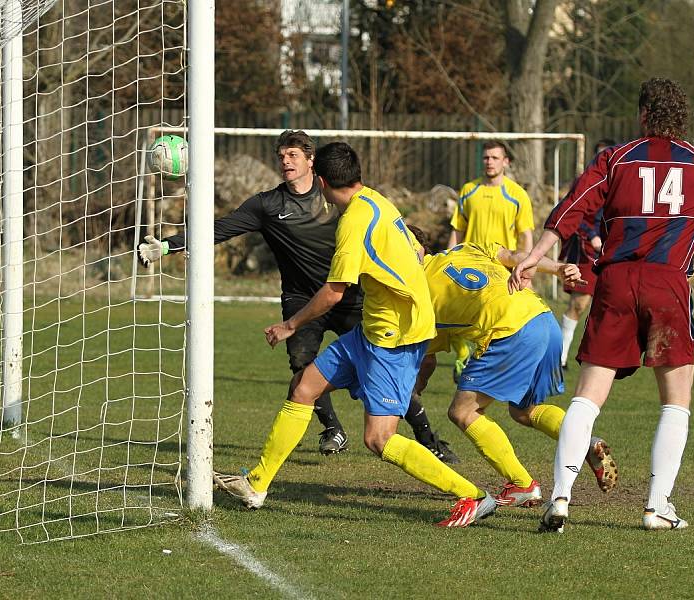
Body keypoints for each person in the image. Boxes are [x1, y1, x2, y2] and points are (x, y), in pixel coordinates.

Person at [510, 75, 694, 532]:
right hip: (667, 286)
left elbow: (569, 212)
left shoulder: (615, 158)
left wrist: (532, 258)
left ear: (643, 114)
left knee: (587, 397)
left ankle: (560, 498)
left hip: (616, 282)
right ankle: (656, 506)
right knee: (675, 402)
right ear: (682, 118)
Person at [213, 142, 496, 527]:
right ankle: (257, 484)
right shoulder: (378, 201)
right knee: (304, 388)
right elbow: (414, 248)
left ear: (324, 182)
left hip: (393, 340)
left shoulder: (352, 224)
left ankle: (473, 496)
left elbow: (334, 292)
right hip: (372, 330)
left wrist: (289, 325)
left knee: (379, 439)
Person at [137, 130, 458, 463]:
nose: (285, 161)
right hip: (302, 298)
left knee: (379, 369)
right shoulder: (268, 205)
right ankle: (332, 428)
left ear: (311, 160)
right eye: (281, 155)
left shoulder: (337, 198)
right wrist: (167, 245)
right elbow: (220, 228)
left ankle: (429, 439)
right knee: (303, 366)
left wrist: (415, 244)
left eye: (293, 154)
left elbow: (385, 226)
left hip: (347, 294)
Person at [407, 226, 617, 510]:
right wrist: (556, 268)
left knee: (462, 411)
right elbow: (516, 255)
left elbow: (426, 359)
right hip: (543, 319)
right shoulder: (467, 249)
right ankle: (587, 442)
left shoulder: (418, 295)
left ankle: (522, 484)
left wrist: (413, 389)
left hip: (511, 331)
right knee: (524, 410)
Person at [447, 141, 535, 381]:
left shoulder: (517, 194)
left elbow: (526, 234)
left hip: (501, 267)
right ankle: (464, 354)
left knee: (496, 322)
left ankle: (486, 366)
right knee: (453, 313)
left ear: (505, 162)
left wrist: (526, 267)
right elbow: (457, 229)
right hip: (470, 264)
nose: (490, 162)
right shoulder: (468, 190)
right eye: (486, 157)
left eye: (495, 158)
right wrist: (448, 257)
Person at [558, 138, 616, 369]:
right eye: (600, 155)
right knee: (579, 304)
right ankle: (560, 357)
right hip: (587, 250)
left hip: (615, 250)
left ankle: (606, 359)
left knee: (613, 306)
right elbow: (573, 213)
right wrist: (591, 235)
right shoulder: (584, 182)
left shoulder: (622, 180)